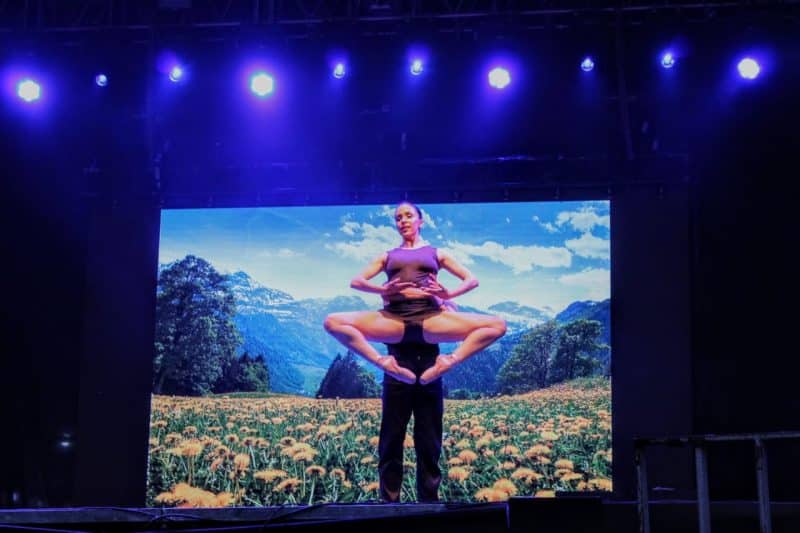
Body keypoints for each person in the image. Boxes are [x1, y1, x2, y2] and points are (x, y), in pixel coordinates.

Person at [323, 201, 507, 502]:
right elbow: (357, 281)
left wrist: (448, 294)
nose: (403, 221)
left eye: (408, 215)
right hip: (395, 332)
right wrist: (384, 290)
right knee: (390, 438)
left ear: (421, 220)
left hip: (429, 331)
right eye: (398, 218)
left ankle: (428, 506)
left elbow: (471, 280)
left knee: (429, 439)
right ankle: (389, 507)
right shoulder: (388, 255)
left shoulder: (436, 253)